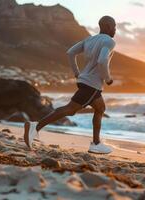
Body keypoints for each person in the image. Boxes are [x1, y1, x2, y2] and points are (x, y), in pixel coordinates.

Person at [24, 15, 116, 154]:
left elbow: (71, 53)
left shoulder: (89, 40)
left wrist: (77, 73)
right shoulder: (109, 41)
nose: (115, 30)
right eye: (114, 27)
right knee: (70, 109)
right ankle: (35, 127)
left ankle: (96, 143)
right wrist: (108, 79)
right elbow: (102, 61)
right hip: (92, 84)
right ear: (109, 27)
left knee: (100, 108)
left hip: (85, 81)